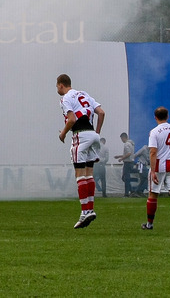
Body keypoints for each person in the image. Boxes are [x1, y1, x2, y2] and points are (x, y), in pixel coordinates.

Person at [56, 73, 106, 229]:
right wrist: (97, 132)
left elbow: (71, 119)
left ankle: (85, 211)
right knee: (89, 174)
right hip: (93, 135)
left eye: (57, 86)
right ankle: (90, 209)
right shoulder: (84, 94)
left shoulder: (65, 98)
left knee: (79, 175)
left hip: (81, 135)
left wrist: (63, 133)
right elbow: (101, 113)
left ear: (61, 85)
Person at [142, 107, 170, 231]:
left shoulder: (155, 131)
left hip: (159, 166)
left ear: (155, 117)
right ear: (167, 116)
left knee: (153, 195)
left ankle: (149, 224)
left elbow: (153, 152)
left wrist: (153, 170)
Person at [115, 132, 137, 197]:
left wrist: (121, 159)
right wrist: (119, 156)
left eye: (122, 139)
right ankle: (132, 190)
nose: (122, 140)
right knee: (126, 178)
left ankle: (127, 193)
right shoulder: (131, 144)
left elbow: (128, 153)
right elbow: (129, 154)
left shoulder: (126, 144)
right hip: (131, 162)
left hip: (127, 163)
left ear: (123, 137)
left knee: (125, 178)